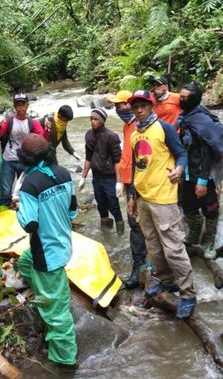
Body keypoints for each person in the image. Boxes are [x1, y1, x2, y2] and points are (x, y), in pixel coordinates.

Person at [126, 90, 196, 319]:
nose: (138, 110)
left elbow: (181, 154)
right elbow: (138, 165)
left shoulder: (163, 128)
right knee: (154, 246)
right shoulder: (135, 133)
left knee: (174, 247)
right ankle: (166, 282)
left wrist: (179, 169)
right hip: (144, 198)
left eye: (143, 105)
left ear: (151, 106)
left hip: (164, 198)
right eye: (135, 106)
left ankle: (188, 294)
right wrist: (132, 195)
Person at [15, 134, 78, 371]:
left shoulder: (30, 185)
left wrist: (18, 209)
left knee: (58, 314)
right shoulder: (63, 173)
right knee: (24, 261)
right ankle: (42, 293)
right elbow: (72, 210)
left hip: (47, 254)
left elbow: (29, 224)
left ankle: (66, 360)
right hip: (63, 244)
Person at [176, 83, 223, 259]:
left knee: (210, 208)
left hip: (203, 175)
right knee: (188, 207)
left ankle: (209, 243)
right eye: (180, 96)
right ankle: (194, 234)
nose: (180, 99)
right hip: (188, 173)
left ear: (195, 99)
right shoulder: (185, 117)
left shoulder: (202, 121)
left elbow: (208, 152)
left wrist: (203, 181)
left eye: (184, 97)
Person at [109, 90, 147, 288]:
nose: (117, 109)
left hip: (138, 184)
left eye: (120, 105)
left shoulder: (139, 126)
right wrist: (120, 181)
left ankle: (140, 270)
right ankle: (143, 268)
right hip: (129, 181)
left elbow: (140, 161)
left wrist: (132, 190)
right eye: (115, 106)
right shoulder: (127, 125)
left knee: (137, 225)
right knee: (137, 225)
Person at [0, 93, 48, 208]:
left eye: (23, 104)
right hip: (9, 160)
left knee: (26, 191)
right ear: (14, 106)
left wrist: (47, 130)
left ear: (27, 105)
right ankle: (2, 216)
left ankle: (24, 217)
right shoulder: (9, 121)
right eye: (18, 104)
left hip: (25, 161)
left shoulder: (33, 123)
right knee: (6, 192)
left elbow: (41, 138)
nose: (20, 107)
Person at [78, 108, 124, 232]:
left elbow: (117, 160)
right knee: (101, 205)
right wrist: (83, 177)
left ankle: (120, 231)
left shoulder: (111, 136)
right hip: (96, 178)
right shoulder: (89, 135)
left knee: (114, 205)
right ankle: (106, 234)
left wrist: (119, 182)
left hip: (109, 178)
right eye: (91, 119)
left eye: (96, 119)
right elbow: (88, 158)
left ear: (102, 121)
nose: (93, 121)